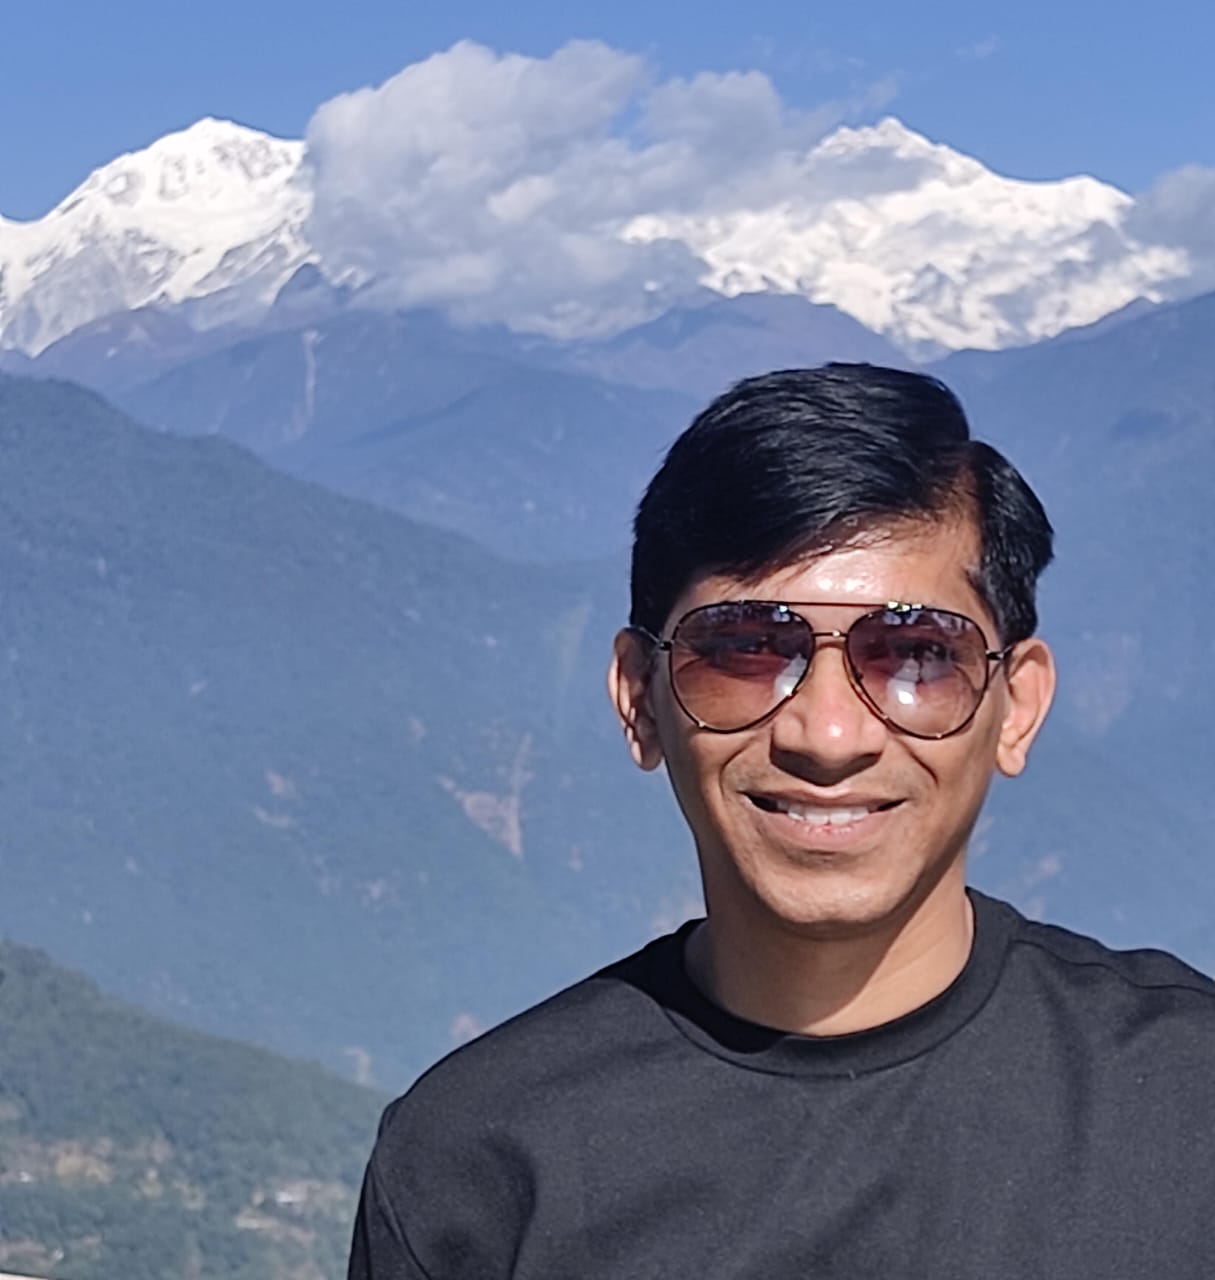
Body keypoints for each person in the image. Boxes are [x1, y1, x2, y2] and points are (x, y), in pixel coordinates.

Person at [348, 364, 1215, 1279]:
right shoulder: (480, 1169)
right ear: (639, 697)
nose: (828, 734)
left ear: (1016, 706)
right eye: (746, 650)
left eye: (914, 654)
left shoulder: (1186, 1105)